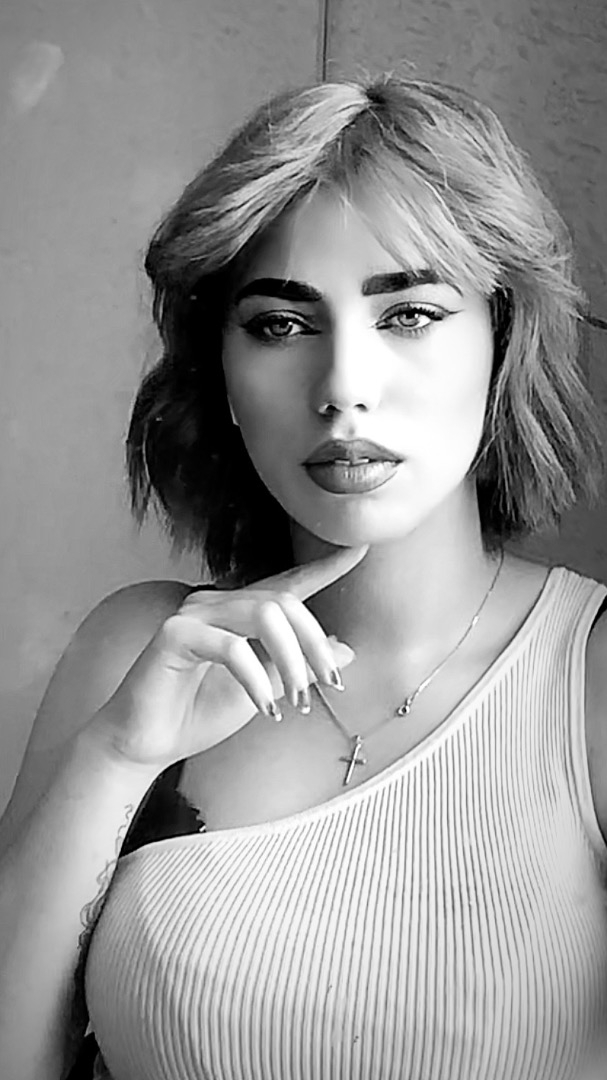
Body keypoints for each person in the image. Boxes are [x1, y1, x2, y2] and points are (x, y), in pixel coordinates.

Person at [0, 71, 606, 1080]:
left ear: (502, 342)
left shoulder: (586, 684)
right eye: (280, 324)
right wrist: (113, 756)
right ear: (220, 369)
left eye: (408, 313)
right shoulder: (133, 655)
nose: (343, 388)